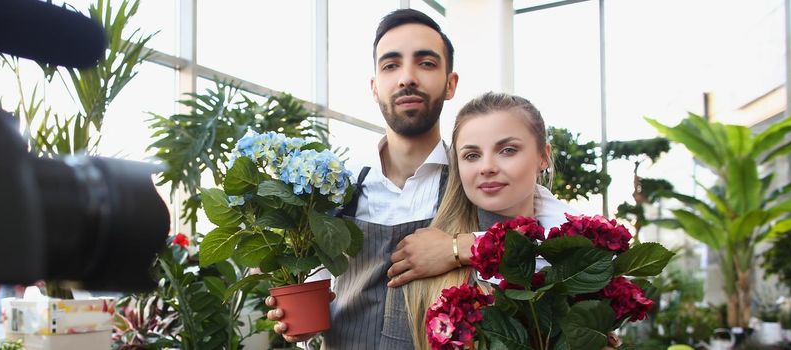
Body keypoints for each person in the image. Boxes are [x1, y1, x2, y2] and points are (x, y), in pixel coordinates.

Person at [266, 9, 464, 348]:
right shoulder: (336, 189)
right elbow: (319, 293)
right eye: (391, 65)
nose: (407, 78)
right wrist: (302, 326)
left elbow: (543, 242)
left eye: (426, 63)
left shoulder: (473, 181)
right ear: (374, 87)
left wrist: (460, 248)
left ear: (450, 84)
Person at [395, 92, 621, 350]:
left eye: (508, 150)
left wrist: (463, 248)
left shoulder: (580, 258)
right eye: (471, 155)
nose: (487, 167)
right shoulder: (423, 260)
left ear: (543, 156)